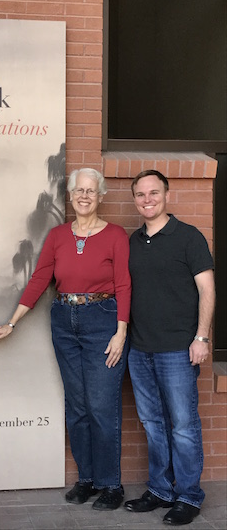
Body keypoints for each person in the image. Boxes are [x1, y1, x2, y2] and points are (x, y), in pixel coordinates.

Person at [0, 168, 131, 511]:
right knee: (78, 405)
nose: (84, 196)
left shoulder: (115, 235)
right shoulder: (57, 236)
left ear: (101, 197)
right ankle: (86, 479)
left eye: (91, 191)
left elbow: (124, 284)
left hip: (103, 321)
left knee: (101, 405)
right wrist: (12, 322)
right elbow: (39, 279)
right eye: (78, 190)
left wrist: (121, 331)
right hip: (64, 322)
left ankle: (110, 484)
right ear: (70, 195)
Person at [124, 170, 215, 526]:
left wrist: (202, 337)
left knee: (183, 425)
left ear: (166, 195)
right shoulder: (132, 241)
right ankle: (161, 490)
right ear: (134, 199)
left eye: (154, 193)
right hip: (140, 349)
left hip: (179, 349)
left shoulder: (188, 237)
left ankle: (189, 496)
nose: (147, 199)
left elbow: (208, 290)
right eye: (141, 195)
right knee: (152, 423)